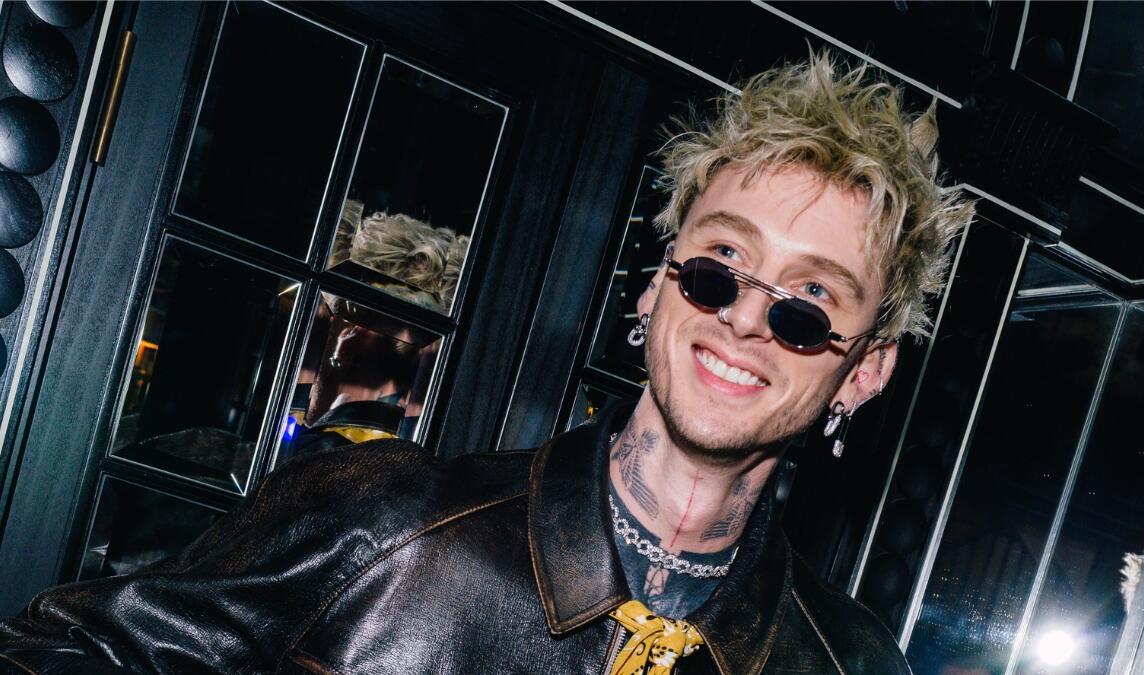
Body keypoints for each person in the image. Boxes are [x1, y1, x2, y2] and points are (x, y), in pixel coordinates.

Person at [0, 53, 971, 674]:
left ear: (865, 371)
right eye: (719, 266)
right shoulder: (383, 523)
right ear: (656, 290)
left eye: (808, 305)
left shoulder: (848, 661)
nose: (746, 317)